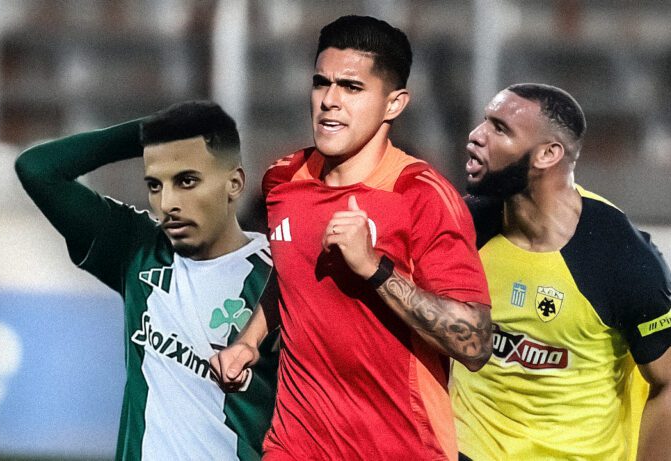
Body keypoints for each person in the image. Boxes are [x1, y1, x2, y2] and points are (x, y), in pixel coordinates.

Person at [210, 15, 492, 460]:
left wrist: (375, 269)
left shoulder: (422, 196)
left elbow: (475, 343)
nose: (329, 101)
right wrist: (250, 340)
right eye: (321, 83)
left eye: (352, 87)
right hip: (294, 446)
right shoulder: (283, 180)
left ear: (394, 104)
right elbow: (292, 269)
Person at [15, 101, 279, 461]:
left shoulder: (278, 275)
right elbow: (38, 169)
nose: (168, 203)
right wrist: (146, 134)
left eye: (186, 181)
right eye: (155, 185)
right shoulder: (138, 249)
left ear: (234, 183)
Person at [451, 83, 671, 460]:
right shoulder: (460, 227)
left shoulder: (621, 256)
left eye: (499, 128)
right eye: (484, 122)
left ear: (548, 154)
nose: (476, 136)